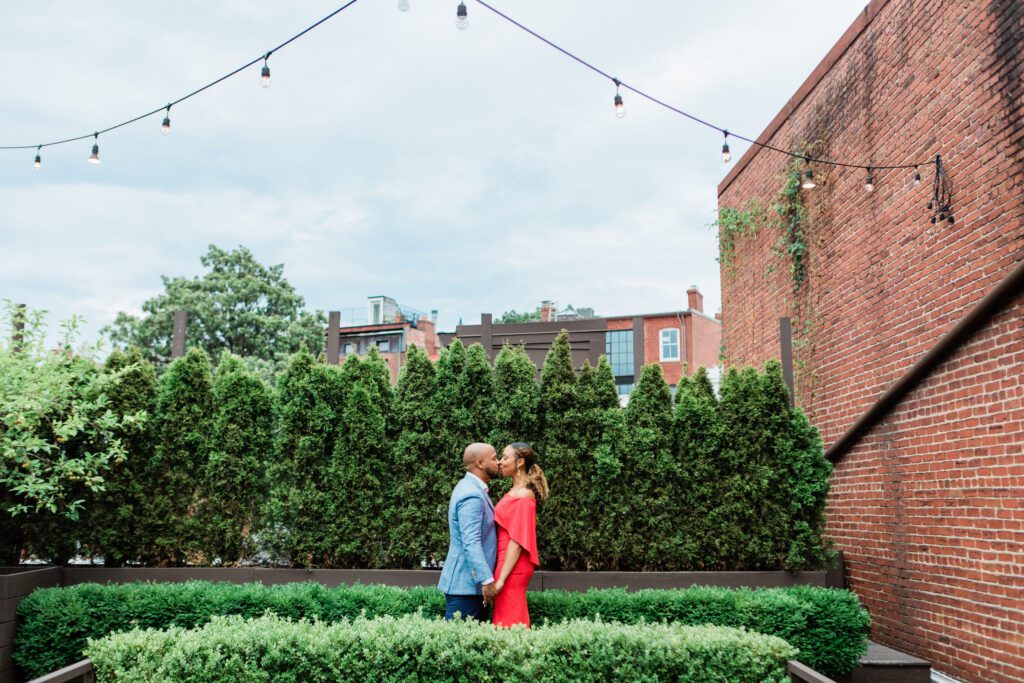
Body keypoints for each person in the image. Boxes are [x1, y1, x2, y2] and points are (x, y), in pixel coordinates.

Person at [437, 442, 500, 621]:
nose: (499, 463)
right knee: (458, 646)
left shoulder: (471, 488)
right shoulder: (471, 494)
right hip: (466, 587)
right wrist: (486, 580)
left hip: (470, 587)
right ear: (480, 463)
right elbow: (471, 542)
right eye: (494, 458)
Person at [491, 442, 548, 628]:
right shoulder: (516, 491)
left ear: (520, 462)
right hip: (506, 560)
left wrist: (501, 579)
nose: (500, 462)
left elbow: (517, 541)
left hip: (513, 563)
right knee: (508, 614)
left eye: (505, 457)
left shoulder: (524, 494)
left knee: (509, 618)